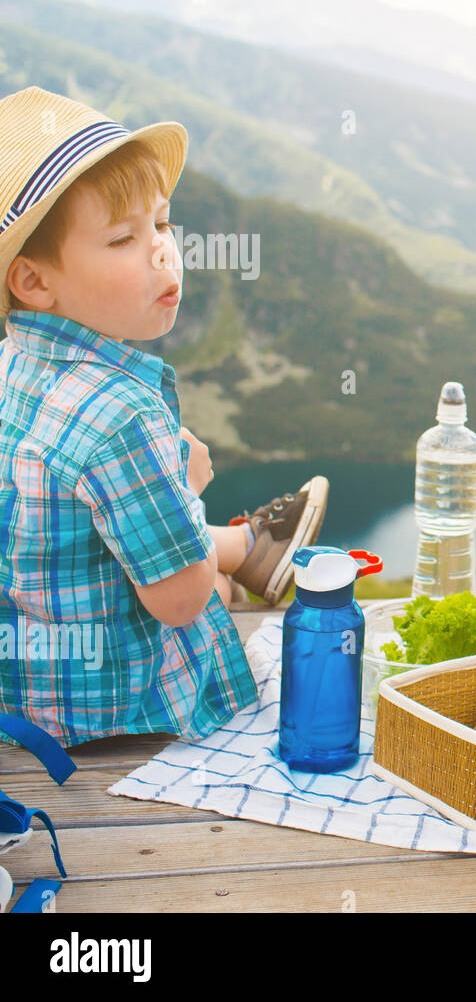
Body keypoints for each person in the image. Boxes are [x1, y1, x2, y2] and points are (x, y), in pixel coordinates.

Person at [0, 86, 328, 748]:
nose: (160, 253)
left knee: (178, 554)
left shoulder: (12, 364)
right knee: (201, 592)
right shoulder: (123, 414)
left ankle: (244, 556)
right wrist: (183, 483)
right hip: (115, 717)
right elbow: (176, 601)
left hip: (24, 689)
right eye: (123, 237)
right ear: (33, 281)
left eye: (163, 223)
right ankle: (242, 552)